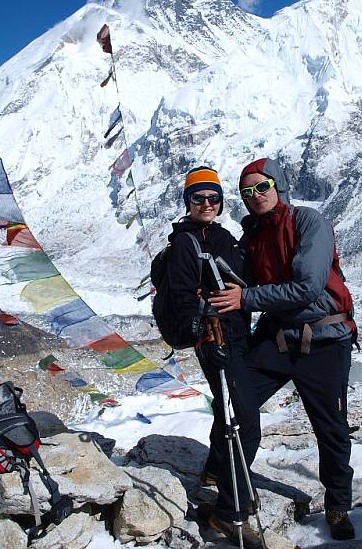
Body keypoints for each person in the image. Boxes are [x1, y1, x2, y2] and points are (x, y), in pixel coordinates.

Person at [209, 157, 358, 541]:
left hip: (324, 341)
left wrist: (246, 299)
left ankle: (338, 506)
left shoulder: (309, 222)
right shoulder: (253, 236)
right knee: (236, 405)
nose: (255, 196)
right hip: (277, 338)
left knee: (331, 427)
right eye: (247, 192)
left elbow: (308, 286)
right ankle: (224, 487)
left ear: (279, 186)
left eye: (262, 187)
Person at [165, 166, 264, 548]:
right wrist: (207, 334)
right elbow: (183, 297)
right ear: (187, 202)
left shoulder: (227, 237)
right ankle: (230, 511)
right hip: (215, 340)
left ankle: (215, 473)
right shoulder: (185, 244)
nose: (206, 204)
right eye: (198, 198)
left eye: (213, 198)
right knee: (246, 422)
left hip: (240, 336)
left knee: (230, 414)